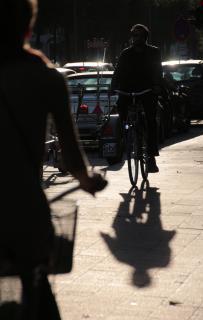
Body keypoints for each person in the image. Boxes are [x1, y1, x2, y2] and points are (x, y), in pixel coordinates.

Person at [0, 0, 107, 319]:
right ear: (29, 29)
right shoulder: (47, 78)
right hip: (25, 216)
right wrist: (89, 181)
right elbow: (73, 158)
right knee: (39, 297)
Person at [111, 24, 163, 172]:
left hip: (147, 90)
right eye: (134, 35)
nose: (136, 38)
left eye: (139, 36)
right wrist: (113, 87)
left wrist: (156, 85)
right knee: (121, 108)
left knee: (151, 120)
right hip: (128, 90)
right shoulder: (125, 54)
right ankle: (126, 136)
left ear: (145, 38)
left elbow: (158, 70)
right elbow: (118, 71)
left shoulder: (154, 52)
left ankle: (151, 156)